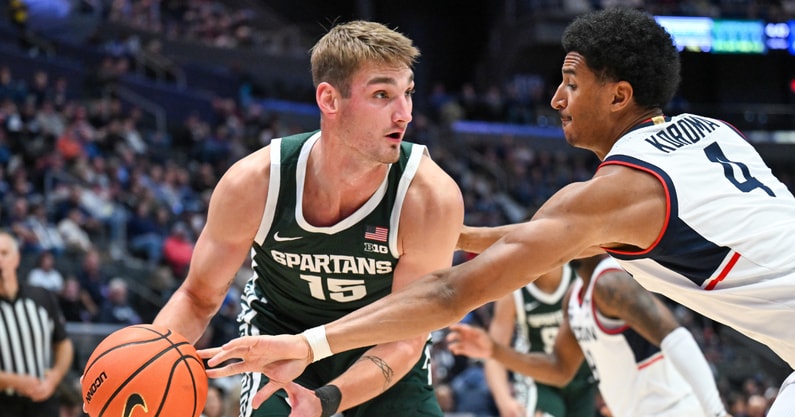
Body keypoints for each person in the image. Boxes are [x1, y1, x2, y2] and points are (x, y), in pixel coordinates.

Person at [197, 7, 795, 417]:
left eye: (571, 82)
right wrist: (450, 232)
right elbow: (551, 239)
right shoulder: (711, 134)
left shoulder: (614, 195)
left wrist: (308, 346)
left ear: (619, 96)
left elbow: (449, 296)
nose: (556, 98)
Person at [151, 19, 464, 417]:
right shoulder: (255, 183)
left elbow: (406, 337)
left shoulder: (429, 197)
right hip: (278, 345)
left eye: (408, 93)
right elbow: (197, 297)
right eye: (383, 95)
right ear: (329, 100)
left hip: (383, 354)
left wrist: (325, 401)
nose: (404, 114)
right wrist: (149, 362)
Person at [446, 254, 728, 417]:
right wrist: (494, 351)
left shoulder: (610, 283)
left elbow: (676, 337)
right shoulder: (575, 297)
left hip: (673, 409)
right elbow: (559, 368)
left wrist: (717, 413)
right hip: (620, 407)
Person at [477, 261, 596, 417]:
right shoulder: (513, 292)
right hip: (537, 379)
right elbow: (493, 355)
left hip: (585, 377)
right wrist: (504, 400)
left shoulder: (581, 276)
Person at [0, 231, 74, 417]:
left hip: (43, 400)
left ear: (16, 259)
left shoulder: (41, 296)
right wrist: (14, 381)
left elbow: (63, 344)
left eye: (4, 253)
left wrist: (55, 377)